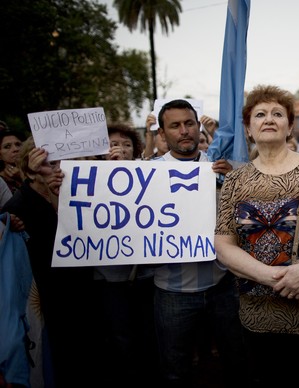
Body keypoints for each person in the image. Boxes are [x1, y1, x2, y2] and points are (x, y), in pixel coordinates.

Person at [214, 84, 299, 387]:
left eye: (278, 113)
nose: (269, 119)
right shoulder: (236, 180)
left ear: (290, 126)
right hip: (257, 317)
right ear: (249, 128)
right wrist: (271, 277)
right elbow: (223, 244)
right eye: (260, 114)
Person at [152, 99, 249, 388]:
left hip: (222, 284)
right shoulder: (147, 173)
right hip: (172, 291)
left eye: (189, 123)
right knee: (175, 369)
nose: (184, 131)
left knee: (237, 362)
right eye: (175, 125)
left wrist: (235, 180)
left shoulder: (220, 167)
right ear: (162, 133)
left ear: (198, 126)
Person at [2, 137, 99, 388]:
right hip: (46, 302)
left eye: (61, 161)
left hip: (81, 291)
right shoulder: (18, 207)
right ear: (29, 168)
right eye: (48, 163)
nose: (57, 168)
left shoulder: (76, 194)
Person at [94, 123, 160, 388]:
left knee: (149, 333)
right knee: (121, 337)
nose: (119, 149)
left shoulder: (149, 176)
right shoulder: (88, 179)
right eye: (112, 144)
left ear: (135, 150)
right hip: (109, 279)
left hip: (144, 275)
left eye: (125, 144)